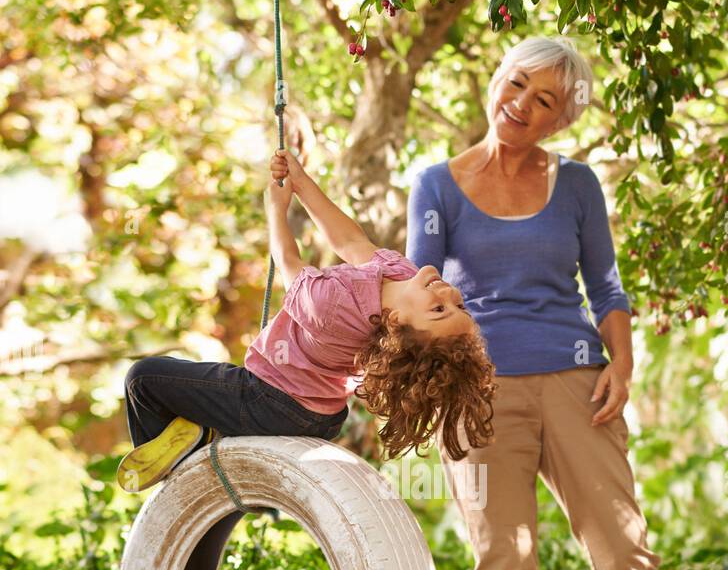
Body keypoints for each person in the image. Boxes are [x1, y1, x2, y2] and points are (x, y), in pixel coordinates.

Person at [406, 35, 728, 570]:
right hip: (480, 394)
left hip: (575, 383)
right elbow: (416, 289)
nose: (521, 105)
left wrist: (621, 363)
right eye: (517, 85)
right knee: (505, 569)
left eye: (545, 101)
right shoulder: (435, 185)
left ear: (561, 119)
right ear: (496, 80)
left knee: (625, 555)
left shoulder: (575, 186)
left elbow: (606, 284)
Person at [118, 149, 495, 492]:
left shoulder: (333, 308)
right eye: (458, 307)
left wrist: (275, 209)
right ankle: (204, 436)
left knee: (144, 379)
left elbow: (288, 262)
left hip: (274, 402)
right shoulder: (399, 272)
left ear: (396, 322)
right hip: (324, 416)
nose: (449, 294)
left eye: (438, 310)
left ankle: (178, 484)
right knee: (196, 395)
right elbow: (349, 241)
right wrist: (299, 182)